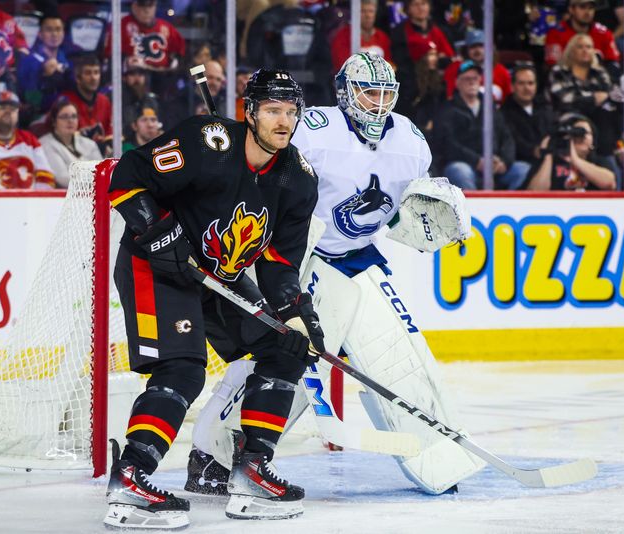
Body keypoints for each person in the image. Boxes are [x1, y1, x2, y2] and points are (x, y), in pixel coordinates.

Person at [184, 52, 482, 500]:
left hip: (359, 259)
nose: (378, 102)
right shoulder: (315, 128)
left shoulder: (411, 140)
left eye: (386, 93)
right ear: (345, 92)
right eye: (368, 91)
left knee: (402, 353)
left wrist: (430, 213)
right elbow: (261, 172)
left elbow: (404, 211)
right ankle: (213, 457)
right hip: (298, 261)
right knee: (287, 360)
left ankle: (437, 457)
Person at [100, 68, 324, 528]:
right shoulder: (209, 142)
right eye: (272, 110)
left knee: (285, 350)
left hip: (219, 275)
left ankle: (251, 471)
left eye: (291, 112)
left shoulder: (298, 180)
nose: (283, 121)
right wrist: (160, 234)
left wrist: (297, 314)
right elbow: (127, 177)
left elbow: (280, 262)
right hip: (156, 265)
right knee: (182, 369)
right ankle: (132, 477)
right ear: (250, 112)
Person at [435, 60, 528, 190]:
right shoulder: (447, 110)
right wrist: (477, 161)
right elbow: (447, 144)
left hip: (494, 166)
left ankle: (506, 208)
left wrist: (504, 162)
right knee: (460, 171)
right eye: (467, 79)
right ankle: (470, 210)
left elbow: (507, 137)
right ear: (457, 82)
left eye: (475, 78)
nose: (472, 82)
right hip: (466, 165)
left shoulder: (491, 107)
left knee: (522, 169)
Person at [104, 0, 186, 96]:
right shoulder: (120, 26)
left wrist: (171, 67)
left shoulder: (167, 28)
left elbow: (180, 58)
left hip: (161, 84)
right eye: (142, 6)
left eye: (150, 6)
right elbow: (108, 59)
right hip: (129, 86)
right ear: (134, 6)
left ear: (155, 6)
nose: (146, 10)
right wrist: (125, 62)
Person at [525, 113, 616, 191]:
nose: (582, 137)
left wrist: (575, 160)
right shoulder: (549, 163)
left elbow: (609, 183)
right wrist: (548, 154)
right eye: (577, 133)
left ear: (593, 139)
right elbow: (534, 193)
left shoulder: (599, 162)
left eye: (586, 133)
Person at [0, 90, 55, 189]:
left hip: (32, 201)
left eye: (13, 108)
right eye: (2, 107)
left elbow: (45, 174)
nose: (8, 111)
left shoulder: (29, 140)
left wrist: (40, 200)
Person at [38, 98, 102, 188]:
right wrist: (93, 180)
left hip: (92, 195)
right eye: (64, 117)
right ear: (54, 121)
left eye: (74, 116)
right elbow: (63, 179)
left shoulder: (90, 144)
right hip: (62, 198)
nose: (70, 121)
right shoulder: (46, 144)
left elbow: (103, 174)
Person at [17, 14, 73, 116]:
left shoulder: (67, 59)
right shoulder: (29, 60)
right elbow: (30, 101)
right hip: (37, 117)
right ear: (40, 34)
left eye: (58, 29)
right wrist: (44, 76)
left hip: (64, 115)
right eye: (49, 30)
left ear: (63, 33)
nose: (54, 34)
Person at [501, 63, 555, 166]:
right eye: (521, 83)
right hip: (521, 162)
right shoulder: (504, 113)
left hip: (549, 159)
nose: (527, 88)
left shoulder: (545, 107)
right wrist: (534, 151)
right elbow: (512, 141)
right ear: (512, 87)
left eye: (530, 83)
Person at [545, 0, 620, 71]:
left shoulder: (604, 33)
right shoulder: (556, 33)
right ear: (571, 9)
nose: (587, 12)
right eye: (582, 7)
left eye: (591, 8)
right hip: (565, 80)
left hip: (597, 80)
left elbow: (613, 64)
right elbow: (553, 66)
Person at [444, 29, 512, 104]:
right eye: (473, 47)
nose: (477, 50)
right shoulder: (455, 68)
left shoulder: (501, 71)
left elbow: (509, 100)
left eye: (481, 46)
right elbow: (450, 97)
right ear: (466, 50)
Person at [61, 54, 112, 153]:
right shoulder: (66, 101)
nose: (93, 78)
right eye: (88, 73)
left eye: (96, 73)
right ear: (78, 78)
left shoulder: (104, 101)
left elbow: (109, 135)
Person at [330, 0, 392, 73]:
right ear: (355, 13)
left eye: (371, 11)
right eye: (363, 11)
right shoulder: (342, 36)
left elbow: (389, 64)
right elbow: (342, 67)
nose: (367, 16)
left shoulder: (383, 37)